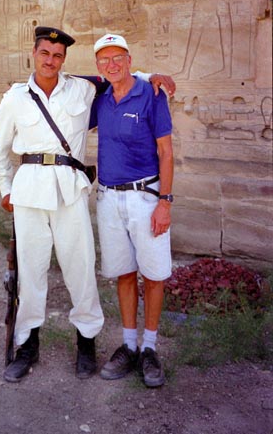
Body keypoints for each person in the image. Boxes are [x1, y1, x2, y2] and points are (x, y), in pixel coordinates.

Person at [0, 26, 175, 383]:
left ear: (64, 60)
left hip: (70, 191)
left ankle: (86, 343)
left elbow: (117, 76)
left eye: (58, 56)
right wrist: (5, 189)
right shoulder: (14, 98)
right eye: (45, 53)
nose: (51, 61)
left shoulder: (82, 88)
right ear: (34, 53)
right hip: (29, 193)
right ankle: (28, 345)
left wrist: (149, 76)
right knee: (30, 271)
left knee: (81, 269)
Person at [90, 33, 174, 388]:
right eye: (104, 59)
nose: (112, 65)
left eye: (118, 58)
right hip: (109, 199)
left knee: (153, 275)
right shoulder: (101, 99)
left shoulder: (151, 94)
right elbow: (65, 81)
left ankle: (150, 348)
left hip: (145, 197)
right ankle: (127, 344)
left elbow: (166, 153)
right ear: (98, 65)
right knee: (123, 273)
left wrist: (164, 202)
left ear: (128, 58)